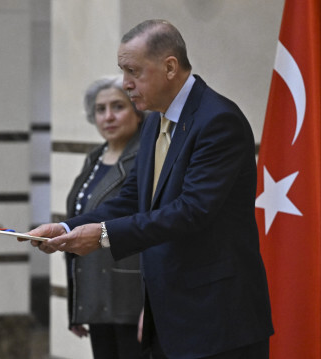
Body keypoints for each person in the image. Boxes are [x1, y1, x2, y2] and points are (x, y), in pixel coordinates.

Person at [28, 20, 273, 358]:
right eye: (122, 71)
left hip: (218, 319)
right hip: (169, 318)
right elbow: (132, 198)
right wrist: (69, 227)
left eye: (133, 72)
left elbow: (192, 210)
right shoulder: (153, 122)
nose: (126, 84)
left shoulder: (218, 120)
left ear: (169, 66)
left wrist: (101, 234)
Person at [64, 76, 145, 358]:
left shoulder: (146, 157)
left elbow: (156, 229)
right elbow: (79, 221)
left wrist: (154, 304)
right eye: (100, 109)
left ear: (137, 110)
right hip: (97, 295)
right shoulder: (95, 158)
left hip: (132, 298)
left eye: (118, 106)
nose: (108, 116)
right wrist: (75, 303)